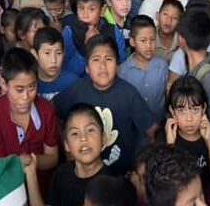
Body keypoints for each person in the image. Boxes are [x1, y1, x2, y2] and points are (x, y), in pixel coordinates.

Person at [53, 35, 158, 176]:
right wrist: (68, 150)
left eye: (108, 59)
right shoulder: (76, 91)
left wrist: (141, 170)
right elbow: (53, 112)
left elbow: (152, 130)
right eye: (96, 60)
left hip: (120, 176)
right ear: (87, 67)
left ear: (117, 65)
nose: (102, 66)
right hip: (84, 175)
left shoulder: (128, 93)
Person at [0, 48, 60, 184]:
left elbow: (52, 158)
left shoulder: (46, 110)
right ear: (4, 84)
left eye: (32, 87)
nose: (26, 97)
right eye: (19, 90)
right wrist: (18, 164)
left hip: (43, 186)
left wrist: (30, 160)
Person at [164, 76, 210, 189]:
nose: (189, 118)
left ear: (203, 109)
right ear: (172, 112)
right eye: (181, 111)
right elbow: (166, 184)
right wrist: (170, 145)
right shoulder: (165, 136)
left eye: (195, 110)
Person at [50, 103, 109, 206]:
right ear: (67, 145)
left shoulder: (111, 183)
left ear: (103, 138)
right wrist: (31, 173)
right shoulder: (61, 174)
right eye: (75, 133)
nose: (83, 138)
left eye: (90, 130)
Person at [120, 14, 170, 123]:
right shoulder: (123, 72)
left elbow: (167, 97)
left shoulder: (162, 66)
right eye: (143, 41)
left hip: (159, 127)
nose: (149, 45)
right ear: (132, 42)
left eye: (152, 40)